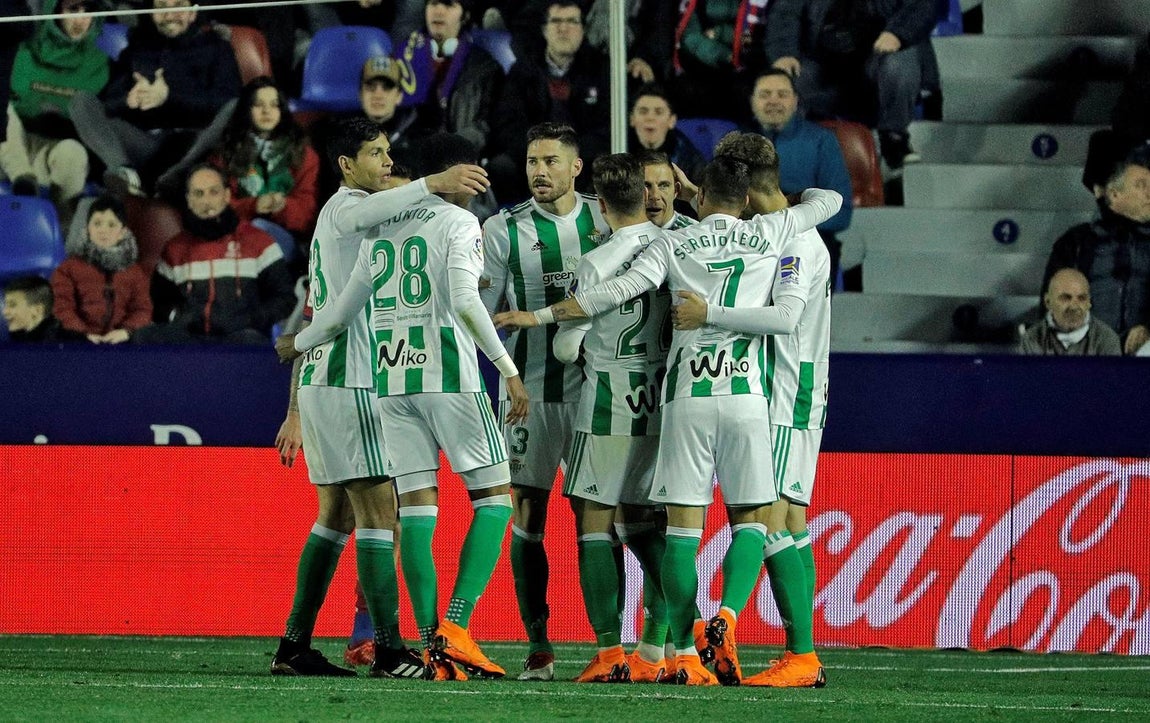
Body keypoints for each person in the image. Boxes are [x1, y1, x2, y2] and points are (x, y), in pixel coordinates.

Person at [493, 157, 842, 686]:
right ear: (744, 200)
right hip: (744, 394)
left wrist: (541, 316)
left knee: (666, 532)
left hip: (672, 400)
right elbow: (828, 203)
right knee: (753, 521)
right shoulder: (768, 230)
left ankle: (653, 646)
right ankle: (706, 631)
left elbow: (607, 301)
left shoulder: (666, 245)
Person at [279, 131, 526, 683]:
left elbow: (328, 308)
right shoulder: (351, 209)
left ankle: (296, 642)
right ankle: (394, 646)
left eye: (393, 156)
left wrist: (294, 387)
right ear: (345, 164)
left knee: (339, 517)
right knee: (379, 517)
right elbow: (353, 300)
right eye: (377, 156)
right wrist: (434, 186)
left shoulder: (371, 219)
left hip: (341, 373)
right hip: (358, 375)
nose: (388, 166)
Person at [674, 131, 830, 688]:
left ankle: (778, 645)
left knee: (770, 520)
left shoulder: (791, 243)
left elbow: (783, 318)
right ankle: (800, 654)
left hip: (787, 392)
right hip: (780, 390)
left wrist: (708, 313)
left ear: (744, 187)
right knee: (789, 522)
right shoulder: (776, 230)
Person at [478, 121, 610, 681]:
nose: (539, 171)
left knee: (596, 519)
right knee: (526, 517)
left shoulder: (607, 219)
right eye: (533, 161)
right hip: (527, 392)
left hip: (595, 394)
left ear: (576, 167)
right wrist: (504, 369)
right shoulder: (503, 229)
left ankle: (613, 645)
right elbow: (478, 308)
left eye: (551, 161)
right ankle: (539, 645)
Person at [551, 153, 671, 683]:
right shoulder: (677, 246)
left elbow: (565, 345)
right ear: (647, 197)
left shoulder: (597, 260)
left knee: (595, 524)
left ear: (601, 206)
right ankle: (659, 643)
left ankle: (607, 651)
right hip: (663, 403)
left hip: (607, 404)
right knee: (649, 524)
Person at [69, 0, 241, 198]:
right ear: (152, 13)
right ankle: (125, 174)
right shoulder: (139, 48)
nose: (168, 16)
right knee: (81, 101)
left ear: (192, 13)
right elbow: (108, 103)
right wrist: (128, 101)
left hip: (194, 144)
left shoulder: (217, 48)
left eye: (177, 6)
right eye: (161, 7)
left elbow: (227, 102)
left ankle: (175, 178)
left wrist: (169, 97)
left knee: (234, 107)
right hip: (146, 144)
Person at [765, 0, 937, 169]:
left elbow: (923, 5)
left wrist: (897, 34)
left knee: (899, 63)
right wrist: (784, 54)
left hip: (878, 68)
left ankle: (894, 138)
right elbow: (785, 12)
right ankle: (789, 150)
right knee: (787, 79)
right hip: (826, 68)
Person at [136, 163, 296, 344]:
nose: (207, 201)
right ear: (188, 199)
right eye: (198, 193)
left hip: (240, 338)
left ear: (227, 196)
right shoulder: (175, 248)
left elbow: (284, 297)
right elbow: (159, 301)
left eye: (214, 192)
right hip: (190, 339)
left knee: (251, 341)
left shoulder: (258, 241)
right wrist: (176, 316)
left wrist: (252, 319)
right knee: (145, 337)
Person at [487, 1, 610, 200]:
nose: (563, 28)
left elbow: (607, 128)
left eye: (572, 21)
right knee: (500, 167)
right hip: (532, 157)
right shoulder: (523, 71)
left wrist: (569, 155)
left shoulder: (601, 70)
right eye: (556, 21)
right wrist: (540, 153)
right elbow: (507, 123)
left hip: (582, 160)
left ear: (582, 30)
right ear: (544, 30)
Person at [2, 0, 106, 224]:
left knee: (74, 153)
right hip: (9, 147)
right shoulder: (23, 51)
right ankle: (23, 180)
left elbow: (99, 124)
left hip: (51, 152)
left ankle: (62, 230)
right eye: (73, 10)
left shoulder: (101, 65)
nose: (81, 20)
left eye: (88, 11)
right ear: (55, 11)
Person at [746, 69, 853, 284]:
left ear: (795, 101)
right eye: (765, 94)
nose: (773, 101)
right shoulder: (738, 142)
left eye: (782, 94)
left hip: (807, 240)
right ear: (752, 101)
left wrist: (788, 222)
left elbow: (841, 213)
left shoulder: (822, 141)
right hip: (749, 242)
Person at [1044, 146, 1150, 355]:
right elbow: (1051, 304)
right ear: (1115, 194)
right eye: (1141, 185)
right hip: (1087, 351)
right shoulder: (1077, 242)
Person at [213, 76, 320, 267]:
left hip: (285, 238)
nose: (266, 111)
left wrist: (283, 206)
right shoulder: (226, 152)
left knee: (258, 230)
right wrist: (253, 206)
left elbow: (308, 215)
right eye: (258, 105)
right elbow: (215, 205)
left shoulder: (303, 154)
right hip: (234, 237)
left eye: (274, 105)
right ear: (246, 110)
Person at [396, 0, 503, 156]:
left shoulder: (484, 66)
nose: (438, 11)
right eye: (433, 4)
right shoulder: (405, 58)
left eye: (448, 5)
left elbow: (486, 125)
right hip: (412, 154)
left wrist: (452, 146)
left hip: (459, 156)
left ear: (465, 16)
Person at [311, 57, 419, 199]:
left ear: (399, 95)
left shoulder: (419, 136)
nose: (378, 95)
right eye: (371, 87)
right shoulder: (337, 135)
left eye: (386, 87)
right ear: (360, 94)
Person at [50, 195, 152, 343]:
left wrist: (126, 331)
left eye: (111, 225)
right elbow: (62, 307)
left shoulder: (135, 272)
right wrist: (83, 334)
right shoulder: (68, 268)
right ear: (88, 229)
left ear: (122, 233)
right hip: (79, 342)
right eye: (97, 224)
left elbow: (142, 309)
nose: (103, 230)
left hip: (121, 341)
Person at [671, 0, 772, 121]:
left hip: (746, 64)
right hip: (701, 66)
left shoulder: (758, 5)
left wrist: (721, 32)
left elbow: (754, 35)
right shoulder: (692, 5)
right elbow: (689, 37)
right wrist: (725, 55)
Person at [1021, 268, 1122, 356]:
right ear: (1048, 302)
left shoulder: (1107, 340)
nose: (1074, 306)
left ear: (1089, 303)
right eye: (1065, 298)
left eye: (1082, 298)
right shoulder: (1031, 339)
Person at [628, 85, 705, 184]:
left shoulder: (688, 159)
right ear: (632, 119)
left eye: (658, 112)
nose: (650, 117)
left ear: (672, 121)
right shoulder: (617, 147)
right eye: (643, 112)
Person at [3, 275, 74, 342]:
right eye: (6, 305)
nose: (5, 312)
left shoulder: (67, 341)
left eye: (12, 305)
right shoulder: (17, 338)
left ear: (37, 310)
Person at [637, 149, 696, 230]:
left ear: (676, 190)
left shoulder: (693, 233)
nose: (655, 196)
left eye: (663, 185)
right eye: (646, 185)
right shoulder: (619, 234)